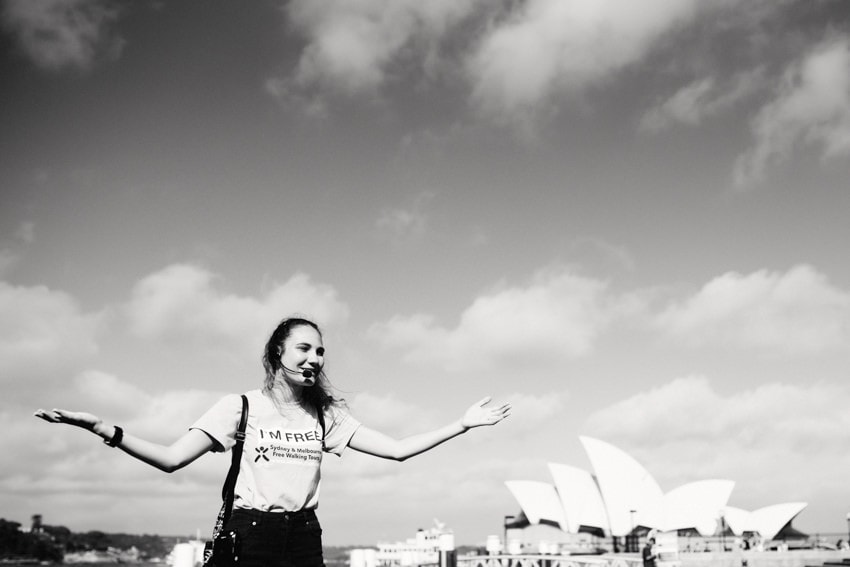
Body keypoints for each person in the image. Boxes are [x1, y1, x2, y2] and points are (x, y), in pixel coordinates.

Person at [34, 316, 511, 567]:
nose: (315, 358)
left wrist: (462, 424)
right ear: (276, 353)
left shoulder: (325, 414)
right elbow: (171, 460)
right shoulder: (239, 407)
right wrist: (102, 428)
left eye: (320, 350)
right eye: (304, 347)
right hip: (251, 536)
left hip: (305, 535)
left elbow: (398, 449)